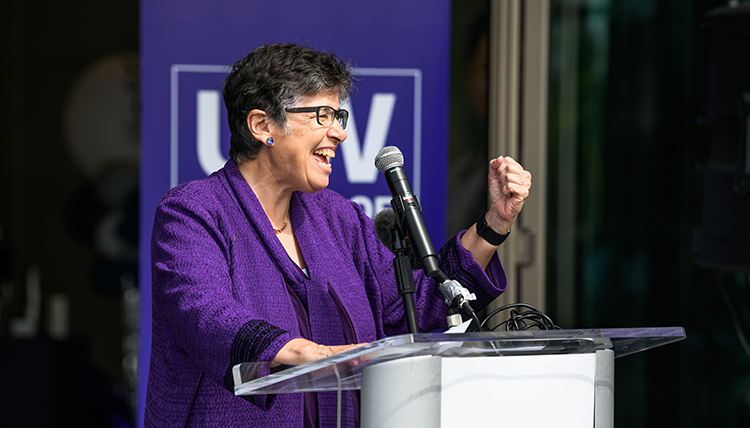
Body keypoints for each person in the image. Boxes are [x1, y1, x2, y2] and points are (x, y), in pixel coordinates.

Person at [144, 43, 532, 428]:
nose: (340, 133)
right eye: (322, 115)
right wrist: (308, 353)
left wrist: (494, 224)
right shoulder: (193, 211)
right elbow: (206, 315)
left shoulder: (336, 217)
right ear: (263, 126)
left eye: (338, 115)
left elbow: (415, 306)